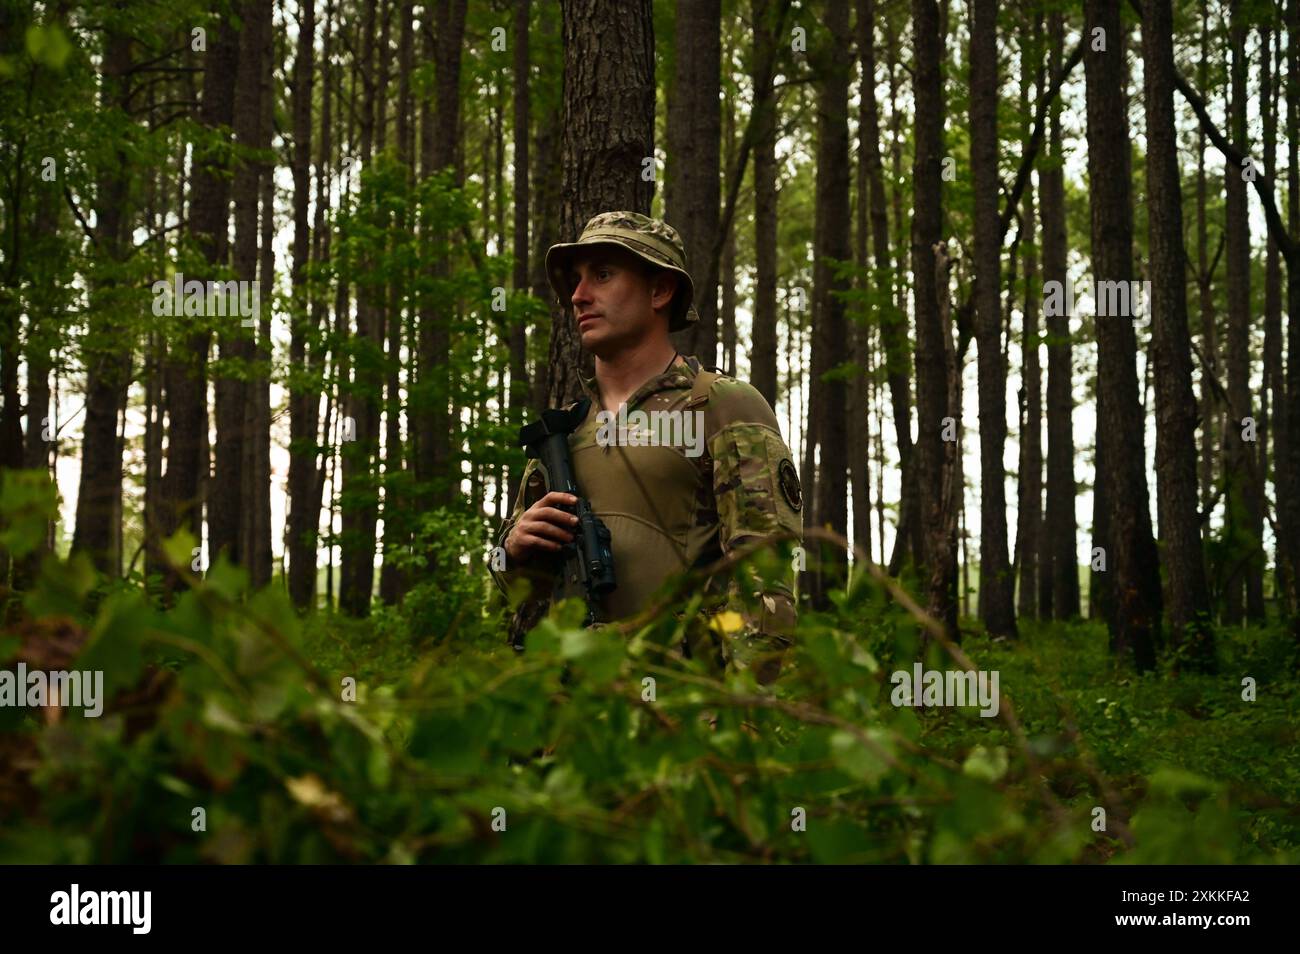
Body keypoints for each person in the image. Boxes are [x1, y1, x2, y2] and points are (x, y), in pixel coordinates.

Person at [490, 211, 802, 685]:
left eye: (603, 274)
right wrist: (511, 551)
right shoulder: (565, 433)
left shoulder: (721, 407)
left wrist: (739, 721)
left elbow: (765, 584)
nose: (578, 295)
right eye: (576, 279)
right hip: (563, 722)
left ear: (660, 291)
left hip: (678, 721)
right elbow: (517, 591)